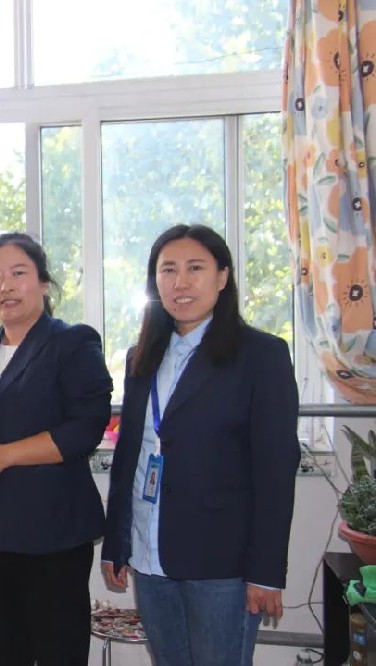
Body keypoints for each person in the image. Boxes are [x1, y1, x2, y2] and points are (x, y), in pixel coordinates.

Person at [101, 224, 300, 665]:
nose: (180, 282)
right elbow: (130, 454)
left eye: (195, 268)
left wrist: (267, 572)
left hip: (222, 563)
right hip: (150, 553)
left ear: (222, 276)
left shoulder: (261, 355)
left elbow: (276, 470)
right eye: (167, 270)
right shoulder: (141, 356)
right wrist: (117, 541)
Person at [0, 232, 112, 666]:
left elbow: (85, 428)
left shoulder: (73, 342)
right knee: (1, 655)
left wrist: (5, 455)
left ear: (44, 282)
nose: (5, 286)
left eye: (18, 273)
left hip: (53, 538)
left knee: (59, 654)